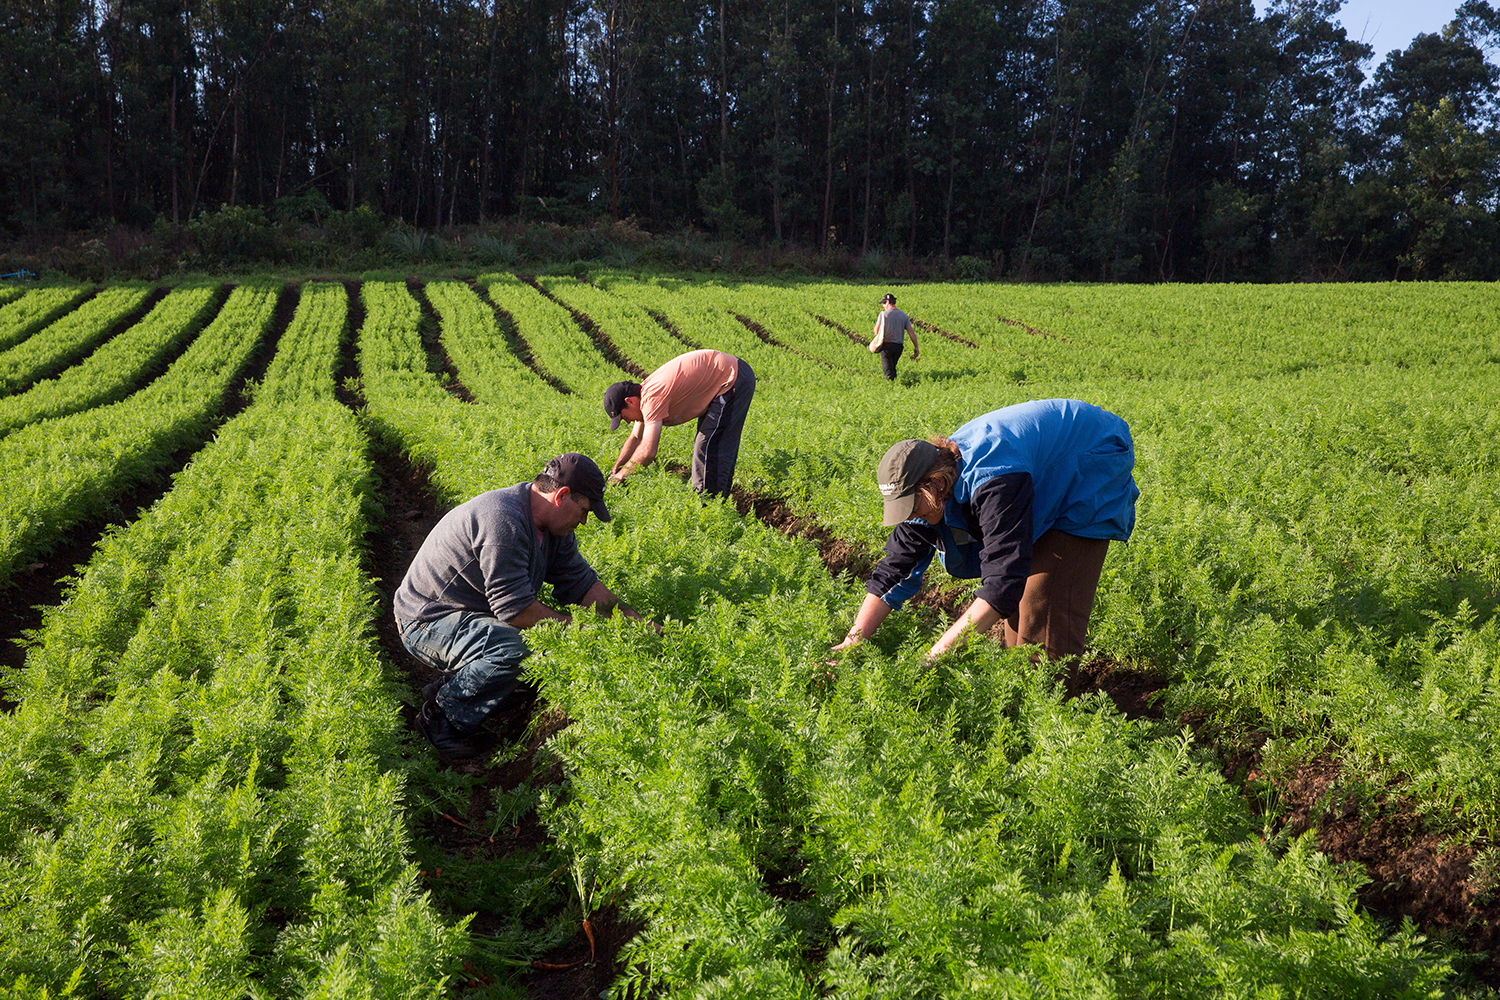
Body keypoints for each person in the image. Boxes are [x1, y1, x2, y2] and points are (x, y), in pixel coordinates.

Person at [830, 399, 1138, 664]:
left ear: (935, 484)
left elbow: (1003, 582)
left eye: (912, 508)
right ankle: (1019, 702)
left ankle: (1047, 717)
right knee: (1017, 621)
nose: (910, 518)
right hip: (1041, 469)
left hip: (1089, 460)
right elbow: (894, 570)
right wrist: (854, 640)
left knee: (1043, 610)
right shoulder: (930, 492)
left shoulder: (993, 481)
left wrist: (935, 655)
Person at [394, 452, 647, 758]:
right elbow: (515, 610)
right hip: (426, 621)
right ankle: (441, 717)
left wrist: (636, 622)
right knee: (516, 648)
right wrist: (578, 629)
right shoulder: (503, 520)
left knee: (532, 655)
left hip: (469, 614)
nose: (582, 522)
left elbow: (583, 584)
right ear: (562, 496)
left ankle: (451, 688)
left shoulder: (554, 531)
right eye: (584, 511)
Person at [603, 348, 755, 498]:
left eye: (624, 417)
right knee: (713, 444)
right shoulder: (642, 395)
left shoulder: (651, 398)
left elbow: (648, 451)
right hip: (726, 377)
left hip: (732, 378)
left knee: (708, 446)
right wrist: (617, 468)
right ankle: (717, 503)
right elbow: (635, 438)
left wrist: (622, 475)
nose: (628, 422)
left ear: (629, 401)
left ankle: (707, 505)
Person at [872, 292, 919, 380]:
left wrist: (877, 339)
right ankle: (896, 384)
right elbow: (911, 332)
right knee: (892, 367)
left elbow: (876, 329)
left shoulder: (883, 314)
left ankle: (891, 387)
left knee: (888, 372)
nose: (883, 306)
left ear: (888, 302)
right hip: (898, 347)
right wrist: (916, 347)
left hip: (886, 346)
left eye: (884, 303)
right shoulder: (904, 315)